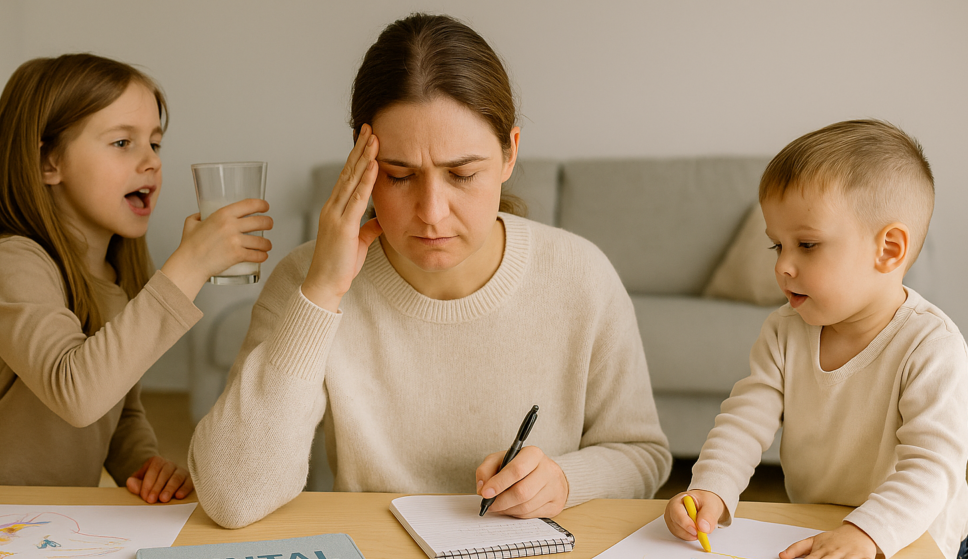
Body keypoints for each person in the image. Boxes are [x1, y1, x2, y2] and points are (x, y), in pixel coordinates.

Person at [189, 13, 671, 529]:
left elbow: (642, 453)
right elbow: (231, 497)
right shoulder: (307, 280)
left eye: (462, 174)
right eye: (399, 177)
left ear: (510, 154)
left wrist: (565, 482)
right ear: (362, 163)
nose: (432, 212)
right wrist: (321, 294)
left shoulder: (581, 276)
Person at [664, 120, 968, 559]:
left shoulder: (932, 345)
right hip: (822, 525)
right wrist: (711, 488)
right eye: (778, 245)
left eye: (807, 245)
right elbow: (744, 423)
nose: (783, 265)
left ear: (888, 249)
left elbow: (933, 467)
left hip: (912, 537)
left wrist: (865, 531)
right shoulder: (783, 331)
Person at [0, 53, 273, 502]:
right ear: (49, 162)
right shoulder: (12, 263)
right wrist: (189, 266)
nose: (151, 162)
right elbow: (78, 393)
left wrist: (142, 462)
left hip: (53, 522)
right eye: (123, 143)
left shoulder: (112, 274)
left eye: (155, 143)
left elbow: (117, 408)